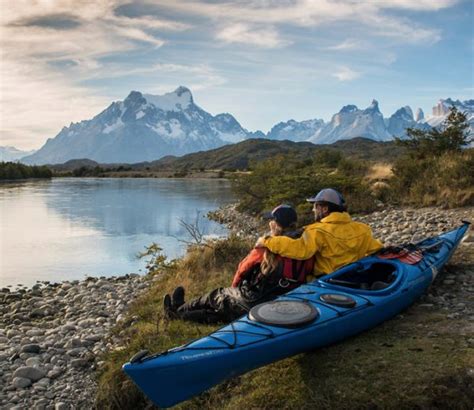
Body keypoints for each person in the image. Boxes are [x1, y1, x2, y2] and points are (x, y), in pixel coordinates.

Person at [163, 204, 314, 324]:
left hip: (256, 302)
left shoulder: (265, 248)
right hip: (286, 302)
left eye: (271, 221)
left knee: (217, 296)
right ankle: (179, 310)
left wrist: (233, 290)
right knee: (222, 311)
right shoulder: (305, 247)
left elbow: (242, 270)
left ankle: (177, 312)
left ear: (275, 225)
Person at [256, 188, 383, 281]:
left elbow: (299, 249)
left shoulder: (317, 231)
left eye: (315, 206)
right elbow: (376, 248)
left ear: (325, 209)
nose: (313, 210)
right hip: (356, 275)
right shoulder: (362, 228)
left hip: (331, 281)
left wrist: (267, 240)